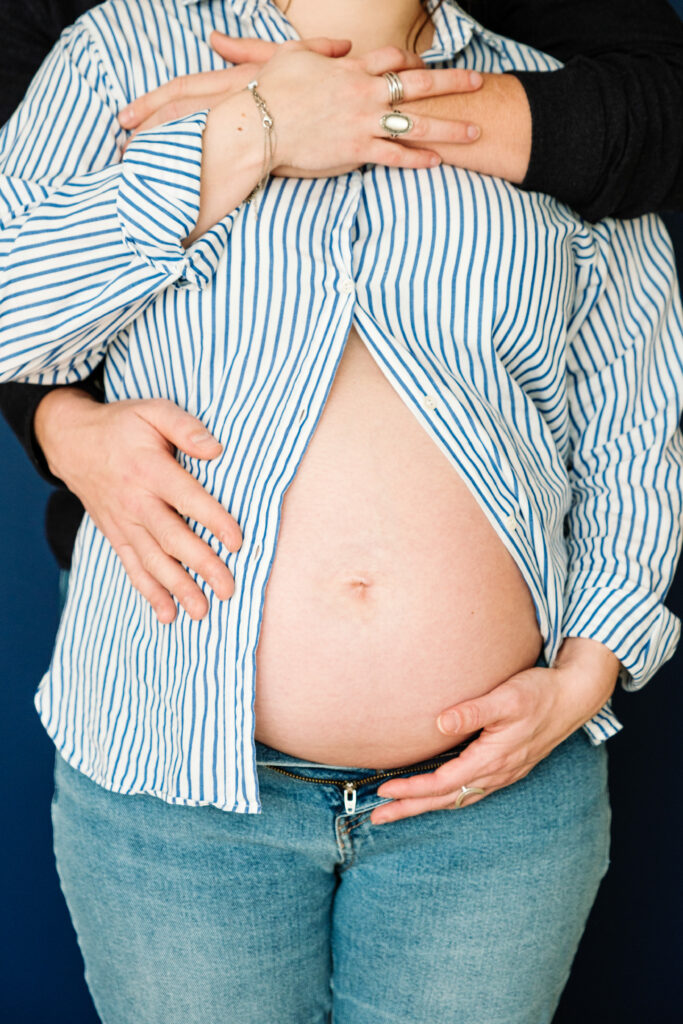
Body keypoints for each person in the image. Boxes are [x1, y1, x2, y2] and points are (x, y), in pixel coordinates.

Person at [1, 1, 682, 1022]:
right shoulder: (114, 58)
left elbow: (630, 420)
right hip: (172, 785)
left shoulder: (544, 99)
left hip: (493, 806)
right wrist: (249, 134)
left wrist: (590, 668)